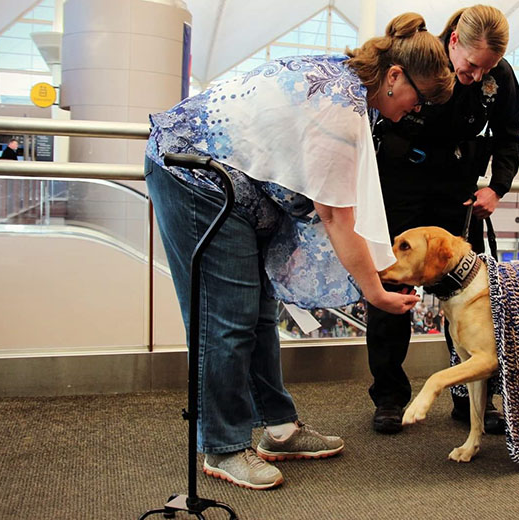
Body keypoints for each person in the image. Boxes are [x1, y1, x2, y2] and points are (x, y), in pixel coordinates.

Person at [144, 13, 453, 491]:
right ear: (395, 77)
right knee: (225, 318)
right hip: (195, 175)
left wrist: (379, 273)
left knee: (259, 313)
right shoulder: (340, 109)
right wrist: (375, 291)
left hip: (238, 186)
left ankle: (279, 428)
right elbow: (337, 218)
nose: (417, 111)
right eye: (421, 97)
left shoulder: (351, 87)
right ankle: (223, 446)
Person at [365, 4, 519, 435]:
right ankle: (390, 396)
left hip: (457, 190)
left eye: (485, 68)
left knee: (466, 293)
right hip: (403, 185)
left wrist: (497, 187)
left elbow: (511, 136)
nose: (474, 76)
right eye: (471, 65)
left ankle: (469, 397)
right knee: (392, 283)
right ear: (453, 41)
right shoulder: (422, 57)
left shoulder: (499, 77)